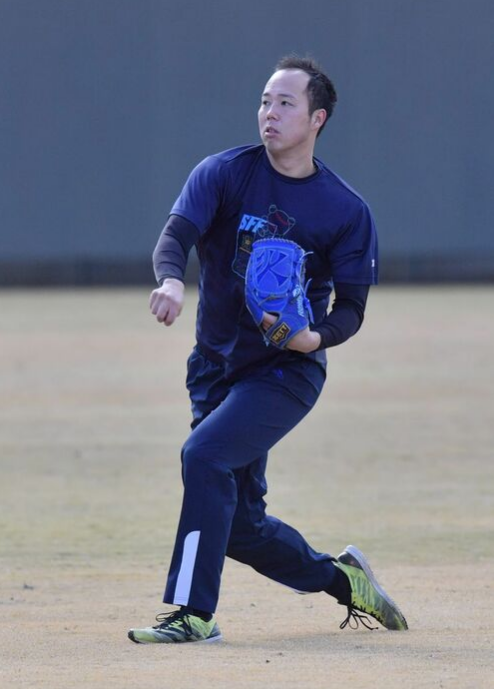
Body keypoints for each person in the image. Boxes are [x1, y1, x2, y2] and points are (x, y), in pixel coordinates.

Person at [128, 55, 407, 645]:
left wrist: (314, 338)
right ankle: (345, 582)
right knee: (236, 526)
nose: (269, 113)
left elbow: (351, 310)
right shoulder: (225, 173)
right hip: (214, 366)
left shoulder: (344, 210)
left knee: (203, 457)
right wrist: (172, 279)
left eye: (285, 104)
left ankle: (191, 613)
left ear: (317, 118)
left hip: (284, 371)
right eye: (264, 101)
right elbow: (177, 235)